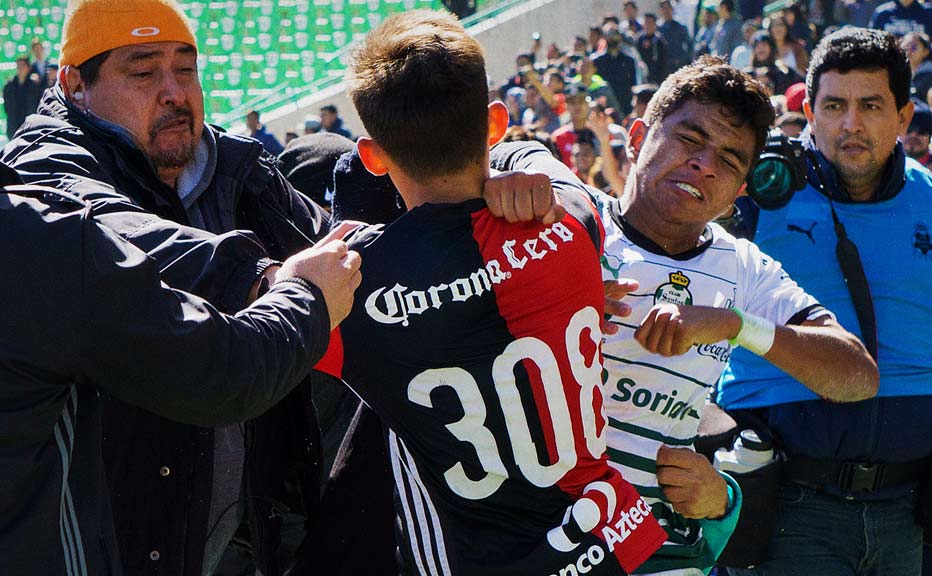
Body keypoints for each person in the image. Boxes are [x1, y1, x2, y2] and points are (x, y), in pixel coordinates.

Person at [2, 1, 553, 574]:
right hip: (121, 546)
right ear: (75, 85)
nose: (174, 92)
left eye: (185, 69)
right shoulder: (41, 176)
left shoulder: (235, 166)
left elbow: (350, 251)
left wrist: (483, 193)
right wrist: (270, 280)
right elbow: (131, 246)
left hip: (251, 542)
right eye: (143, 72)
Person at [334, 10, 667, 573]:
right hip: (609, 542)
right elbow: (551, 168)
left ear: (372, 157)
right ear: (494, 123)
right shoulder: (573, 215)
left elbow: (253, 339)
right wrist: (527, 158)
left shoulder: (355, 284)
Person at [521, 56, 880, 575]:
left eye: (730, 160)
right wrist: (555, 302)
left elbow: (858, 376)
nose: (705, 164)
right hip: (541, 548)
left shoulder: (743, 267)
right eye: (690, 139)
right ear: (638, 135)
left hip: (664, 555)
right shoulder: (567, 226)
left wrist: (735, 326)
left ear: (738, 193)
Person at [718, 28, 932, 576]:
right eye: (833, 106)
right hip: (787, 508)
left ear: (904, 117)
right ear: (809, 111)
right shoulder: (755, 194)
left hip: (915, 511)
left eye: (870, 105)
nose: (850, 124)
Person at [0, 162, 362, 576]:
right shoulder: (34, 236)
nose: (173, 95)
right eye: (142, 89)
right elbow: (224, 370)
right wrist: (304, 294)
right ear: (75, 92)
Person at [593, 28, 639, 115]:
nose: (612, 38)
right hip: (605, 101)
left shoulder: (628, 60)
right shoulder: (597, 60)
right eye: (610, 35)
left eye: (615, 35)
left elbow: (633, 84)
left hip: (624, 102)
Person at [3, 57, 42, 139]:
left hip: (30, 124)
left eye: (23, 66)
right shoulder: (9, 85)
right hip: (13, 124)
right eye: (19, 66)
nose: (20, 68)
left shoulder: (34, 85)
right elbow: (7, 106)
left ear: (28, 68)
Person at [901, 31, 932, 99]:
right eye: (906, 46)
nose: (908, 51)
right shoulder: (902, 74)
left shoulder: (931, 78)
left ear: (926, 52)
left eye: (913, 47)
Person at [658, 0, 693, 73]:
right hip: (663, 66)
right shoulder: (658, 28)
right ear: (660, 10)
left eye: (668, 8)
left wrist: (686, 60)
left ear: (672, 10)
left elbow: (689, 45)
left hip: (678, 64)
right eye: (664, 8)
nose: (666, 11)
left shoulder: (680, 27)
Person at [637, 12, 670, 83]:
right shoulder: (640, 38)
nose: (648, 26)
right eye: (646, 23)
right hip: (643, 75)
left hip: (657, 75)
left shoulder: (659, 40)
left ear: (655, 25)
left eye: (650, 23)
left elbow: (664, 60)